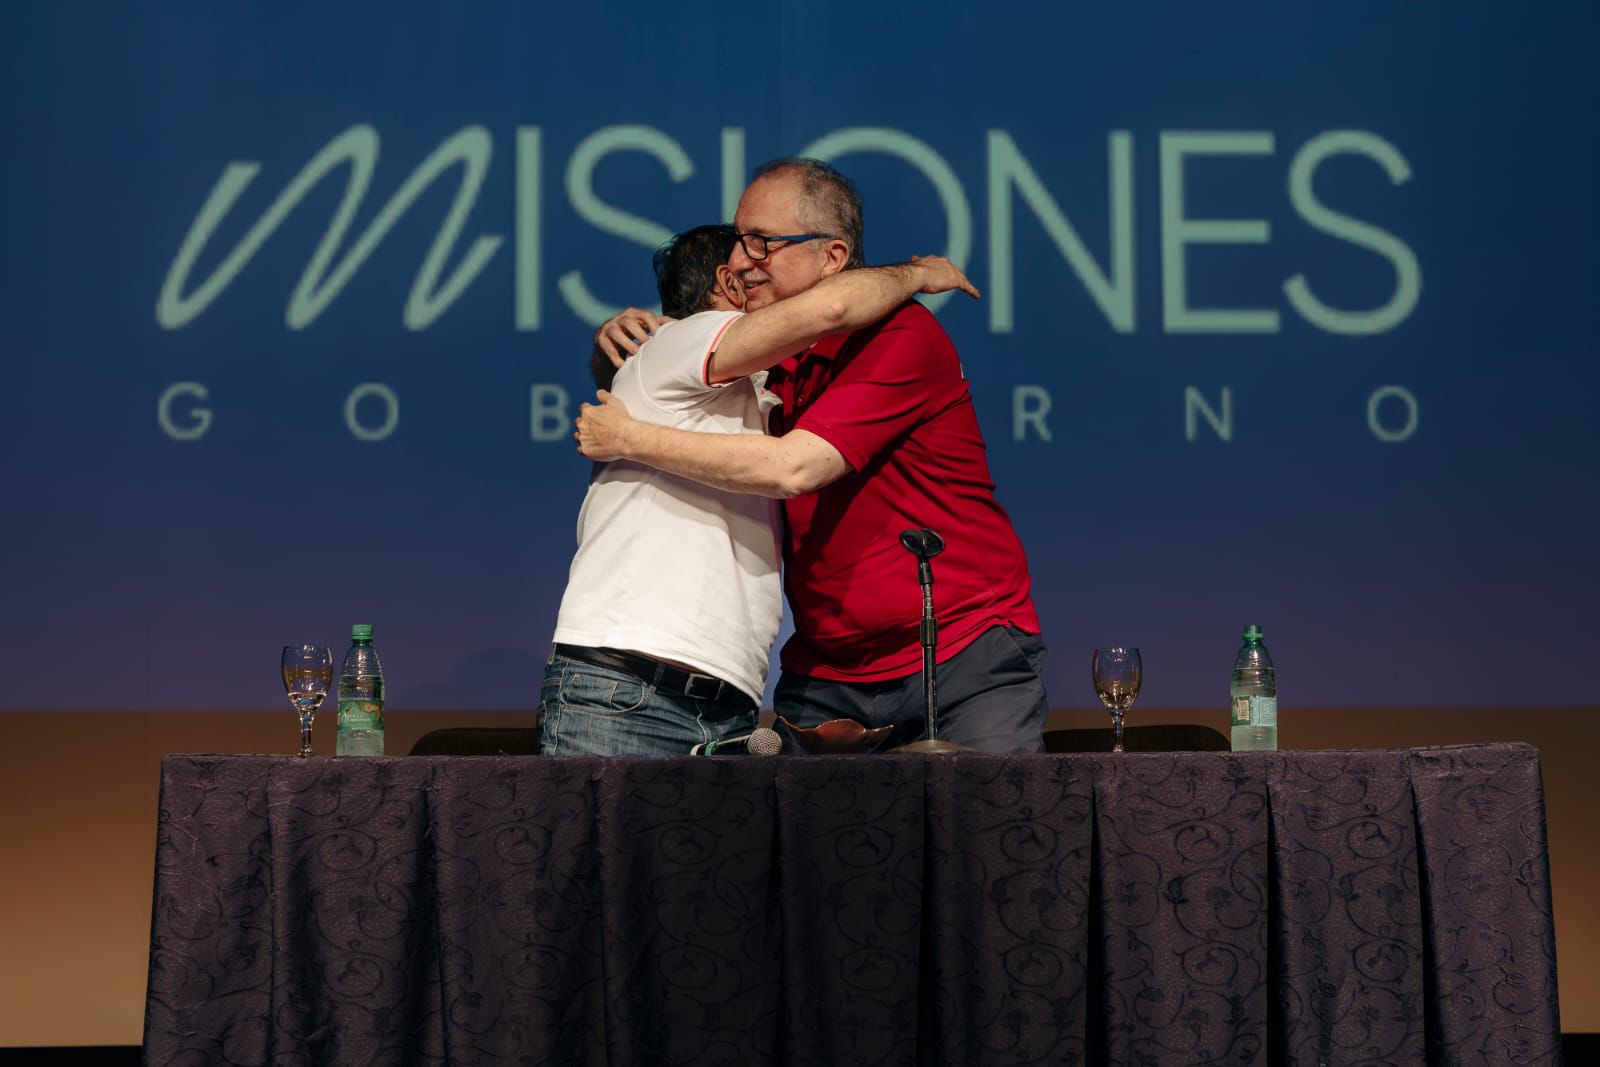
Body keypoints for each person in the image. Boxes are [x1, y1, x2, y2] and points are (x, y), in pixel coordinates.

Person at [576, 159, 1048, 754]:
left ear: (832, 258)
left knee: (991, 815)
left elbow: (795, 467)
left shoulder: (901, 335)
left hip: (960, 652)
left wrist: (629, 438)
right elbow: (666, 373)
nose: (739, 260)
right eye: (739, 241)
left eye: (761, 242)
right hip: (827, 673)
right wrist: (627, 340)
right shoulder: (763, 359)